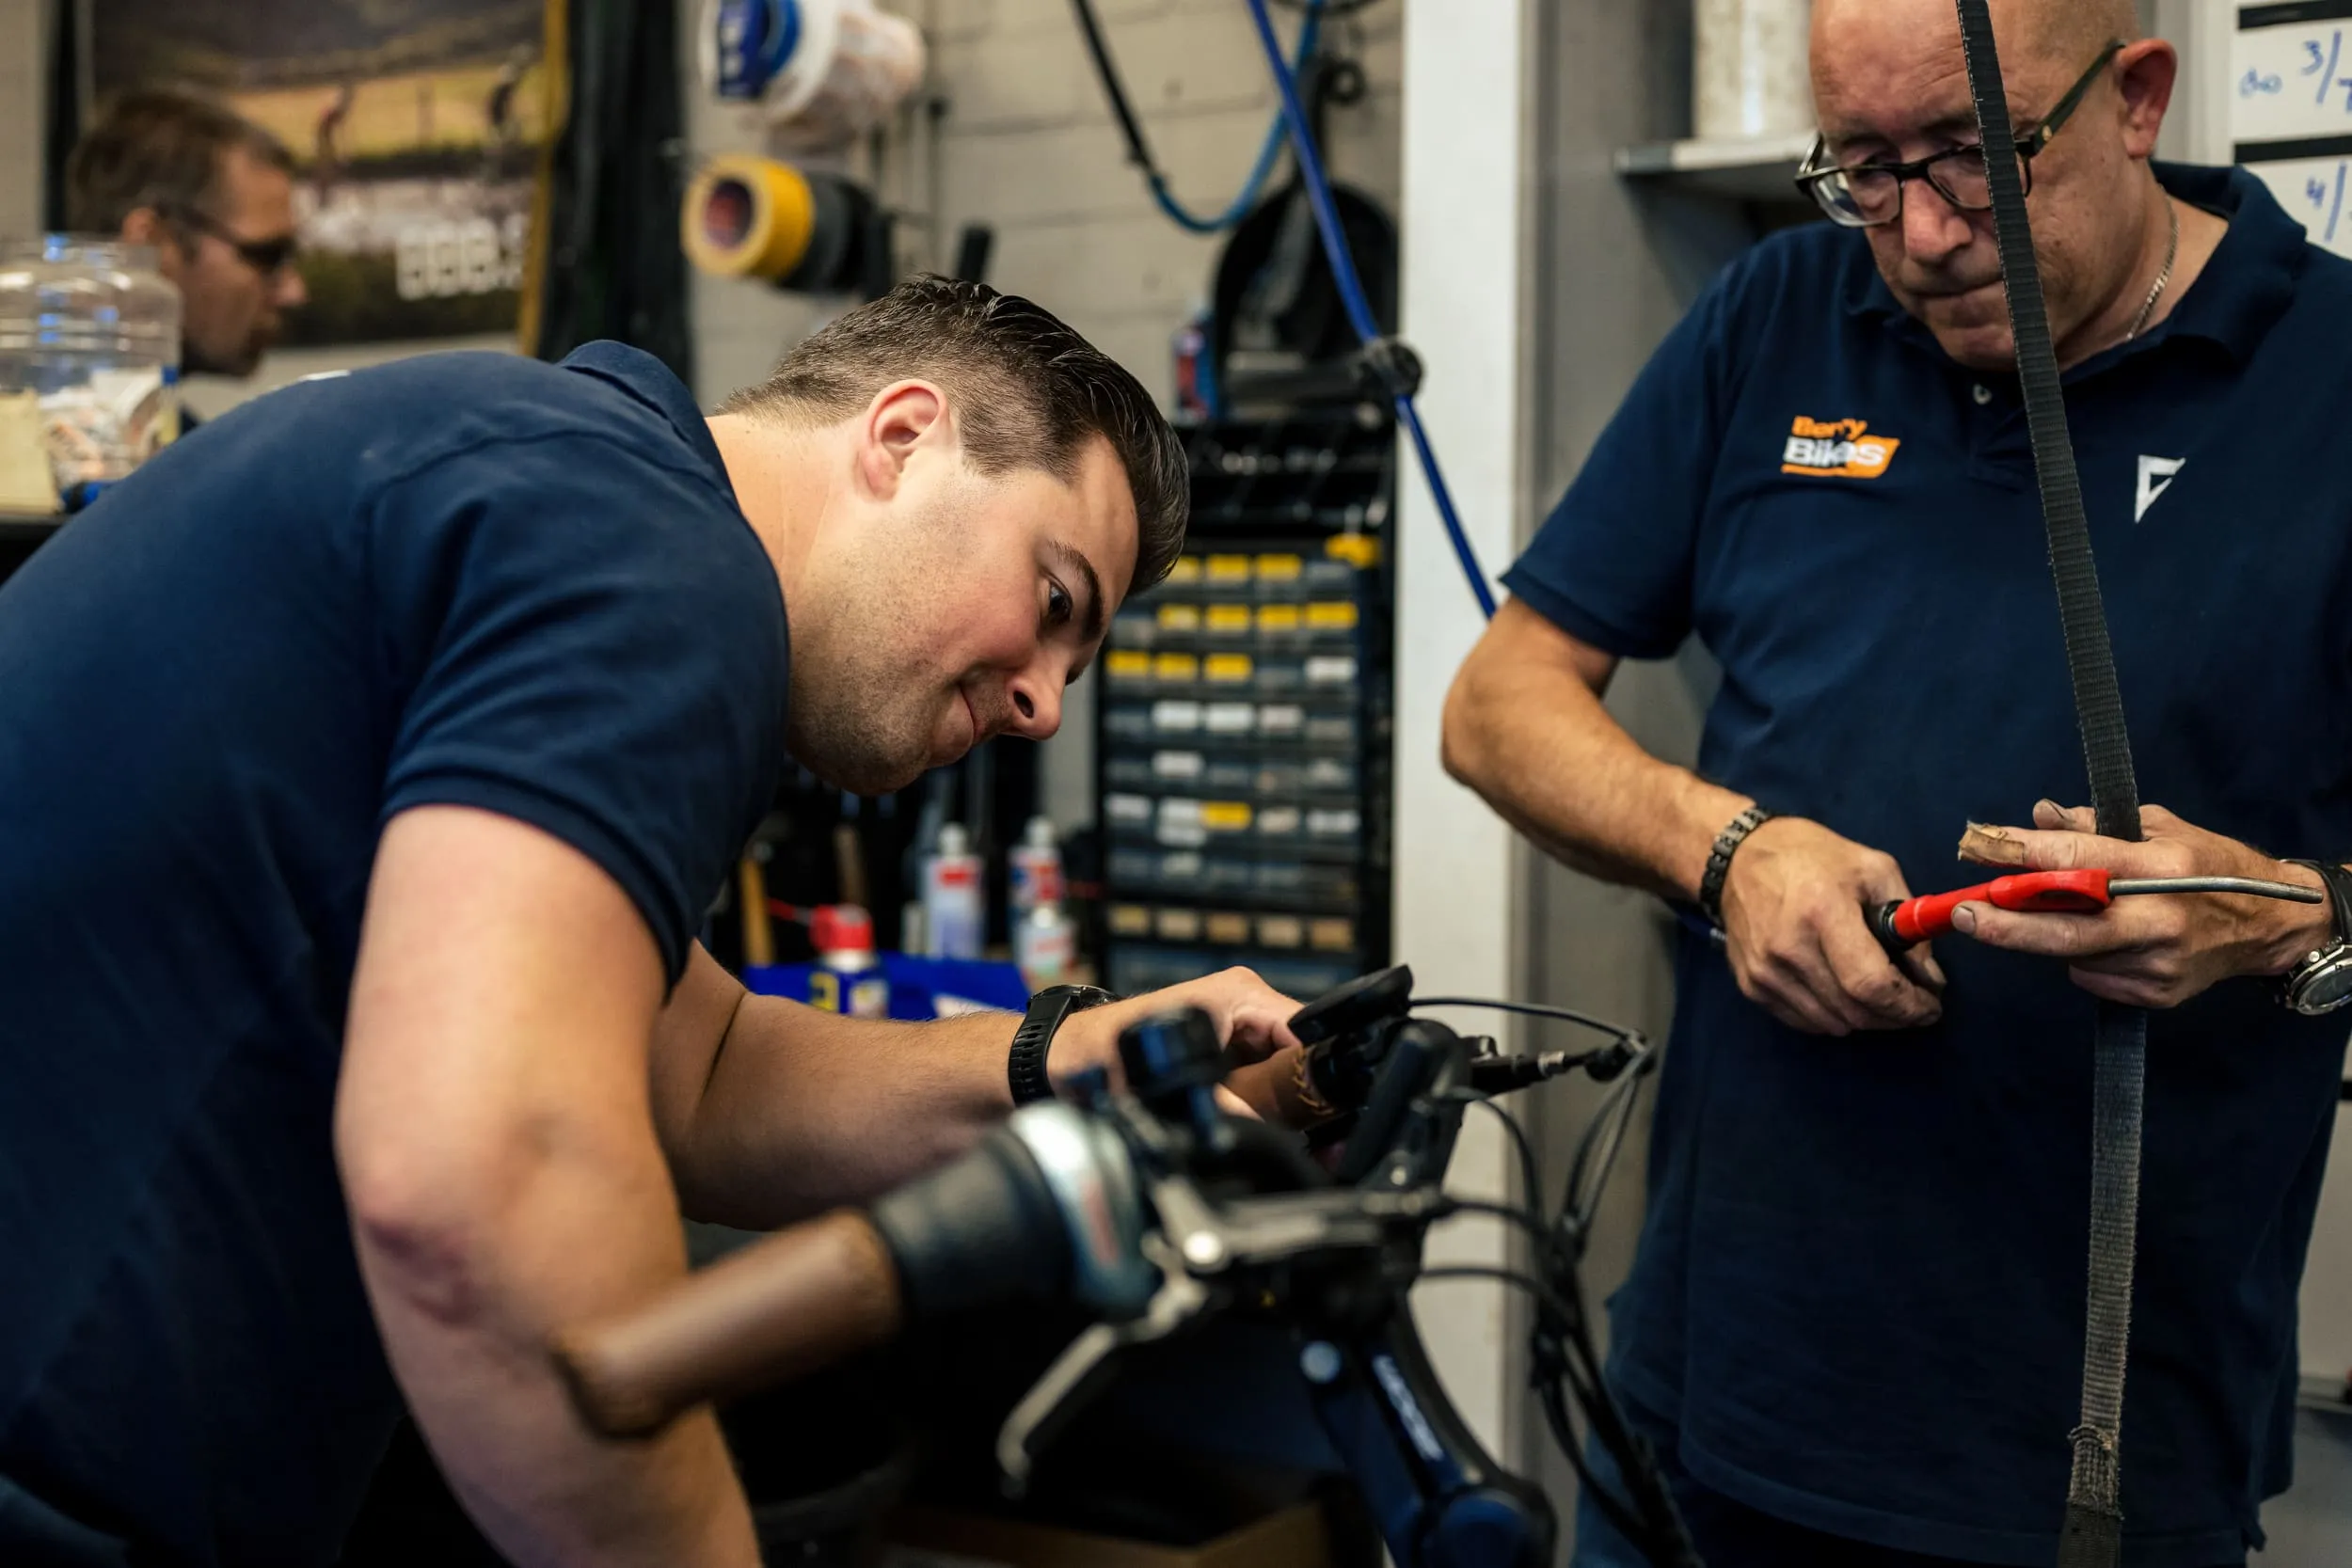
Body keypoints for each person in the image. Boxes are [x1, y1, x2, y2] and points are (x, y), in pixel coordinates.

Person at [0, 277, 1301, 1568]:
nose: (1043, 705)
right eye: (1055, 602)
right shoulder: (651, 556)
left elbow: (698, 1072)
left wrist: (1081, 1055)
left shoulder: (558, 482)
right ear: (903, 437)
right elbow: (489, 1173)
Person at [1442, 2, 2352, 1565]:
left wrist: (2281, 921)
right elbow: (1499, 702)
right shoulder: (1776, 316)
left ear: (2136, 99)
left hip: (2094, 1462)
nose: (1922, 234)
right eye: (1863, 169)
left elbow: (2306, 918)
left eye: (1976, 161)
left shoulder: (2330, 378)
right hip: (1709, 1413)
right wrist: (1727, 851)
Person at [65, 88, 310, 389]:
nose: (294, 292)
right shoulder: (33, 430)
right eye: (267, 256)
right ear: (149, 246)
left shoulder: (167, 431)